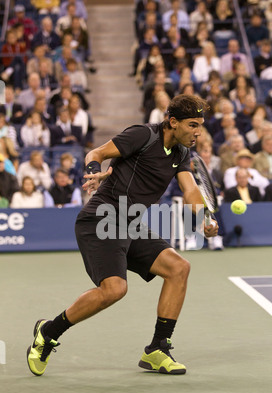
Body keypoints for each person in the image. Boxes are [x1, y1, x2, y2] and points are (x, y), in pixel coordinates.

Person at [26, 94, 219, 377]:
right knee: (114, 289)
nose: (197, 132)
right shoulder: (143, 135)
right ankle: (49, 331)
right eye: (192, 125)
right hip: (100, 219)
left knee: (179, 268)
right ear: (173, 122)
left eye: (200, 125)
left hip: (129, 223)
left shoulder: (180, 153)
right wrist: (94, 171)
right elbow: (97, 153)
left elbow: (190, 190)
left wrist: (204, 216)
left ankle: (157, 349)